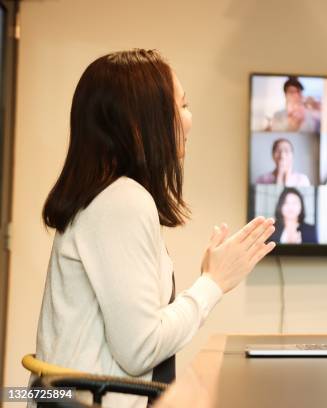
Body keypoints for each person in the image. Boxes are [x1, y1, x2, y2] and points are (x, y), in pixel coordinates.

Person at [33, 50, 276, 408]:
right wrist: (213, 283)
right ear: (138, 121)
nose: (189, 118)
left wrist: (211, 277)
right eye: (182, 106)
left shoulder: (107, 196)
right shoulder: (122, 201)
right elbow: (140, 349)